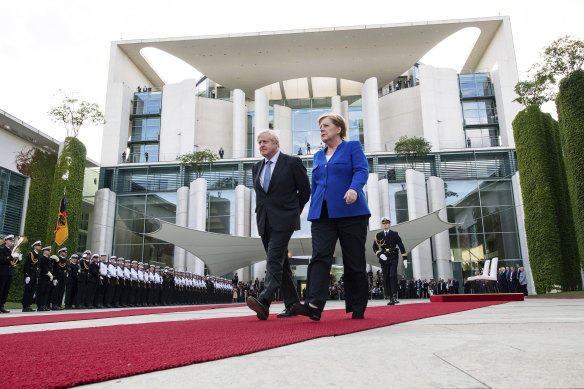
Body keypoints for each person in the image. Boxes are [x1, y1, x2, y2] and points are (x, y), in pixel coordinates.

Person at [295, 113, 370, 321]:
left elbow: (362, 170)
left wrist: (355, 189)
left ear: (339, 129)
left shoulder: (352, 146)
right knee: (319, 257)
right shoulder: (319, 155)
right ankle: (314, 304)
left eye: (326, 125)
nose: (322, 129)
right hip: (322, 214)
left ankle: (357, 306)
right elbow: (316, 184)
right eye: (320, 126)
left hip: (351, 211)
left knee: (354, 259)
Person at [246, 129, 310, 320]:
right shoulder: (256, 167)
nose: (262, 145)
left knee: (273, 259)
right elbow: (262, 195)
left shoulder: (292, 162)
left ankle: (264, 300)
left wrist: (292, 213)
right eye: (259, 143)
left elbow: (305, 191)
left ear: (276, 144)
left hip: (285, 220)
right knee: (282, 265)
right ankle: (293, 305)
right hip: (264, 220)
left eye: (265, 142)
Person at [373, 217, 407, 305]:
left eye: (387, 223)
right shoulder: (378, 235)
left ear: (389, 224)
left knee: (392, 275)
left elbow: (401, 245)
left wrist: (405, 258)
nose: (385, 224)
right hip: (384, 258)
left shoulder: (394, 234)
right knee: (386, 277)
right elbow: (374, 247)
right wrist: (380, 254)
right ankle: (390, 296)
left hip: (393, 256)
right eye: (383, 223)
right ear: (382, 224)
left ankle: (394, 296)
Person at [22, 240, 42, 312]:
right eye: (39, 245)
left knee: (32, 290)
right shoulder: (31, 254)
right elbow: (27, 265)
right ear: (35, 246)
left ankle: (29, 305)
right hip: (30, 274)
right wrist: (27, 275)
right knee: (28, 290)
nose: (40, 247)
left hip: (35, 274)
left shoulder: (38, 255)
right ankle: (25, 306)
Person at [36, 246, 53, 311]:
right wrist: (47, 272)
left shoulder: (48, 259)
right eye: (48, 250)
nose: (49, 251)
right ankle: (40, 306)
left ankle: (44, 305)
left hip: (48, 278)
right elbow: (43, 267)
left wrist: (51, 274)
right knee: (41, 291)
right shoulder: (42, 258)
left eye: (49, 250)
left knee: (46, 292)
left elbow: (50, 267)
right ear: (44, 251)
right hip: (43, 277)